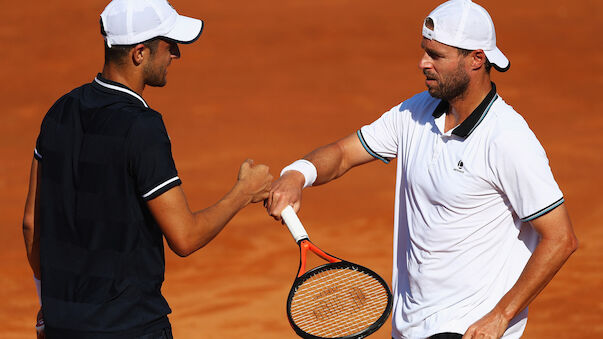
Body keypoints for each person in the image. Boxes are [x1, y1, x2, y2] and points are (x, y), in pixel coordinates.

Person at [265, 0, 578, 338]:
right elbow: (342, 153)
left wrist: (501, 316)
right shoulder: (414, 113)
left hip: (465, 328)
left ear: (476, 58)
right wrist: (298, 174)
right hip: (410, 326)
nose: (422, 63)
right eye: (424, 51)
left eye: (437, 56)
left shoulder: (507, 139)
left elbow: (560, 238)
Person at [21, 0, 272, 338]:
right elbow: (185, 237)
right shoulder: (142, 128)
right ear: (140, 53)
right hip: (131, 327)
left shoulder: (58, 113)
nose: (176, 55)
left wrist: (48, 307)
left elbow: (30, 224)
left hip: (63, 326)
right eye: (170, 46)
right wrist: (243, 192)